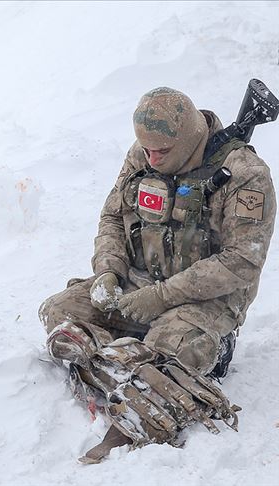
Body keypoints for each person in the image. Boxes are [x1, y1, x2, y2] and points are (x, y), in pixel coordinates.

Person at [38, 87, 275, 462]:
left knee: (171, 353)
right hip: (137, 281)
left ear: (190, 139)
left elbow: (242, 261)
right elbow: (113, 217)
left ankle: (159, 361)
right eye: (146, 149)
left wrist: (162, 297)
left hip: (204, 301)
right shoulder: (143, 155)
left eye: (161, 152)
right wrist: (108, 272)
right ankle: (128, 362)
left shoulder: (246, 176)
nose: (150, 158)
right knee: (59, 311)